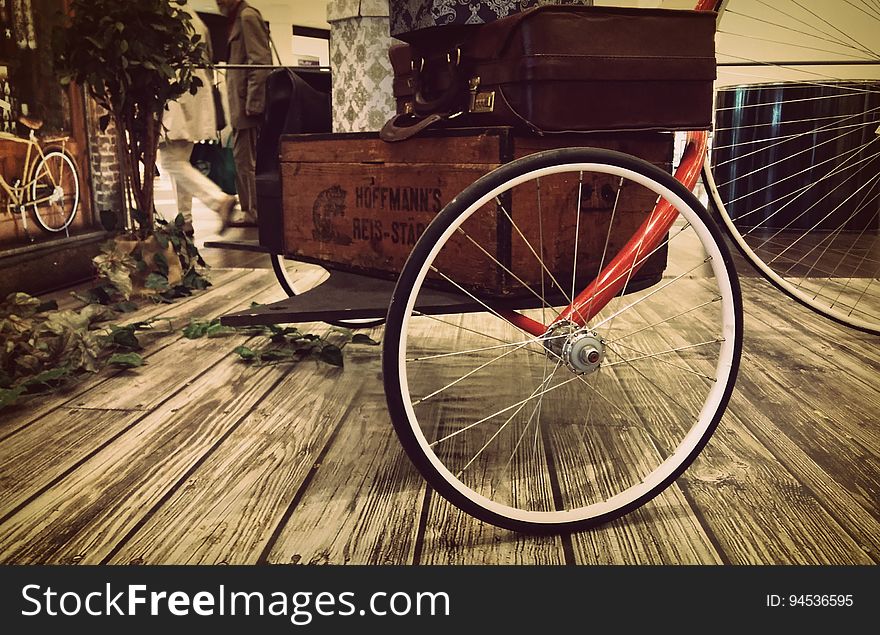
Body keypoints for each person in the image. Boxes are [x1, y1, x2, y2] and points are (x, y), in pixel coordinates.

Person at [158, 11, 236, 236]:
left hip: (177, 97)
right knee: (180, 161)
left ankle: (218, 200)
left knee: (171, 161)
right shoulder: (193, 17)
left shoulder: (165, 14)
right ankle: (185, 220)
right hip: (194, 97)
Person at [215, 0, 272, 226]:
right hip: (242, 105)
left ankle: (254, 211)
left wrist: (254, 103)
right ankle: (252, 209)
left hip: (247, 105)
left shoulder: (247, 17)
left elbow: (260, 62)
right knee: (244, 159)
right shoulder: (237, 18)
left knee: (246, 159)